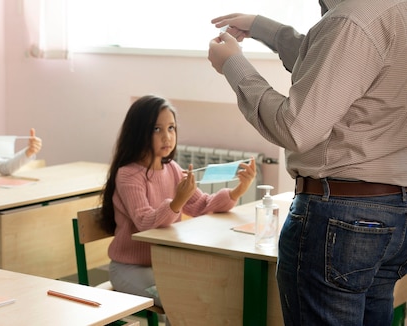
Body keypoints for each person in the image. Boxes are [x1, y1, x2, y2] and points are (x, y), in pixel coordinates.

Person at [208, 1, 407, 325]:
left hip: (339, 216)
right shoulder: (392, 11)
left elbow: (295, 127)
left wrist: (234, 65)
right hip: (393, 212)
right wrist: (263, 28)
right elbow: (340, 63)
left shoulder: (352, 19)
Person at [99, 94, 256, 312]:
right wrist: (177, 201)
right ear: (138, 132)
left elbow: (202, 205)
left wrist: (238, 190)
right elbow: (145, 221)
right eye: (157, 129)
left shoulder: (171, 168)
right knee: (183, 301)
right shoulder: (128, 175)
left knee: (202, 294)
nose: (167, 137)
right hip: (129, 269)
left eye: (171, 128)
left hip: (163, 264)